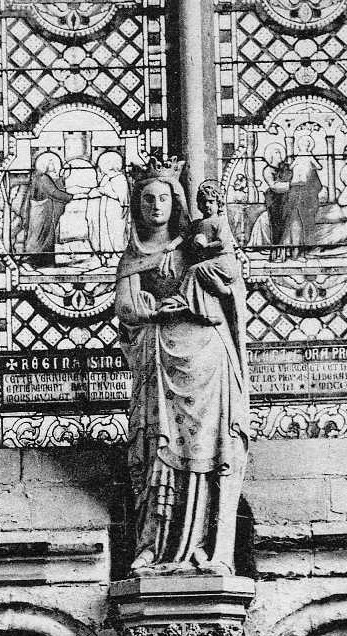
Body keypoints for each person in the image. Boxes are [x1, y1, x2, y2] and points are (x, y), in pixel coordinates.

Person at [115, 161, 249, 573]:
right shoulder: (133, 257)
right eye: (147, 199)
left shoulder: (196, 244)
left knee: (206, 448)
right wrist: (147, 309)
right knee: (157, 450)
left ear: (176, 203)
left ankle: (208, 546)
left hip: (207, 359)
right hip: (159, 358)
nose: (156, 206)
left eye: (164, 198)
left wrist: (207, 285)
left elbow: (231, 284)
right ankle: (152, 546)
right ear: (136, 206)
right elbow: (125, 307)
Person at [20, 152, 72, 265]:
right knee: (39, 236)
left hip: (43, 212)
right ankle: (34, 259)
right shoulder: (43, 178)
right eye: (51, 163)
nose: (54, 166)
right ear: (44, 165)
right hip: (41, 212)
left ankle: (44, 261)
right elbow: (53, 192)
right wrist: (71, 197)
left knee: (45, 236)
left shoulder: (41, 177)